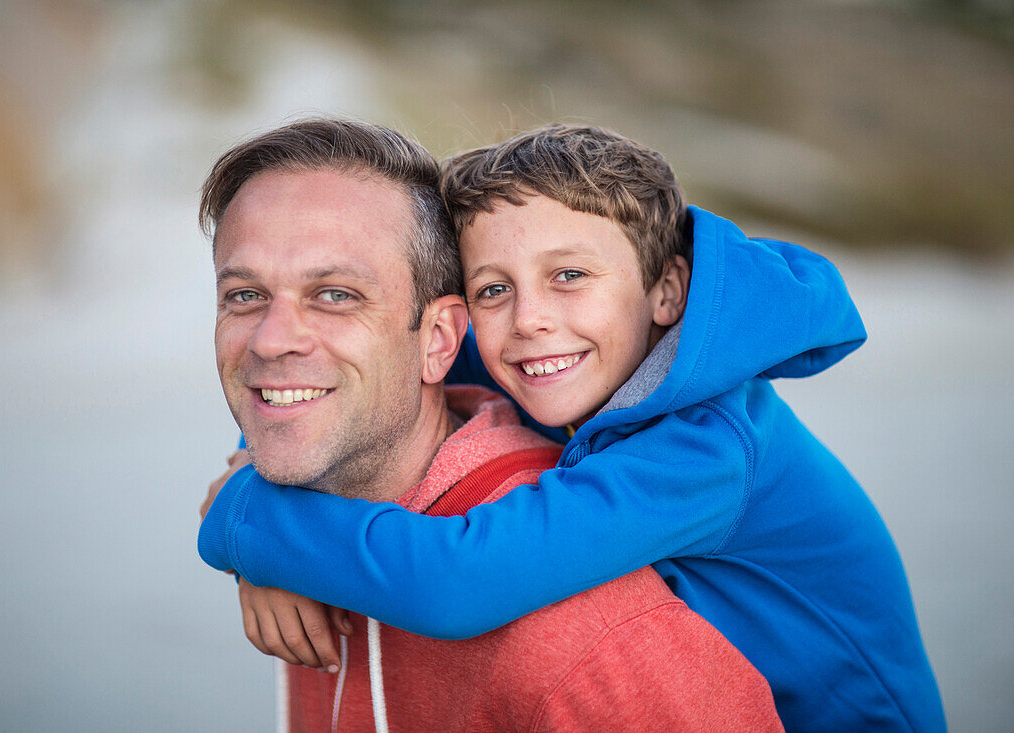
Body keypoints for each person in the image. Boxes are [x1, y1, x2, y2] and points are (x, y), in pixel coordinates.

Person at [200, 123, 947, 732]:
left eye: (570, 276)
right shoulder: (550, 352)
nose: (530, 318)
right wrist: (256, 475)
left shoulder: (707, 446)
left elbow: (460, 580)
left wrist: (251, 522)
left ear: (667, 289)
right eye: (496, 287)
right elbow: (329, 378)